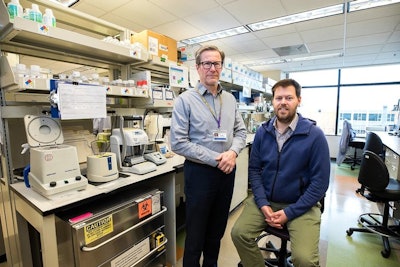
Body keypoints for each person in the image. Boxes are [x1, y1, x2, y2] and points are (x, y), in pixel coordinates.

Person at [231, 78, 330, 267]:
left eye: (289, 97)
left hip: (301, 204)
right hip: (267, 199)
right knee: (239, 234)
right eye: (278, 98)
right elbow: (254, 170)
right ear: (273, 101)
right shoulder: (263, 132)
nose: (283, 102)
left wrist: (289, 212)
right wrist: (262, 203)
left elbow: (320, 183)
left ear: (299, 100)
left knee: (305, 260)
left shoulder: (314, 135)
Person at [170, 45, 247, 267]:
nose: (212, 68)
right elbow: (178, 143)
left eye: (216, 63)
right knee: (195, 235)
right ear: (197, 68)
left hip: (227, 173)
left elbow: (241, 132)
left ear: (221, 67)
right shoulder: (185, 100)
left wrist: (232, 153)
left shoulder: (230, 100)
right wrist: (217, 158)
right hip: (200, 174)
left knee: (216, 231)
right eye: (207, 63)